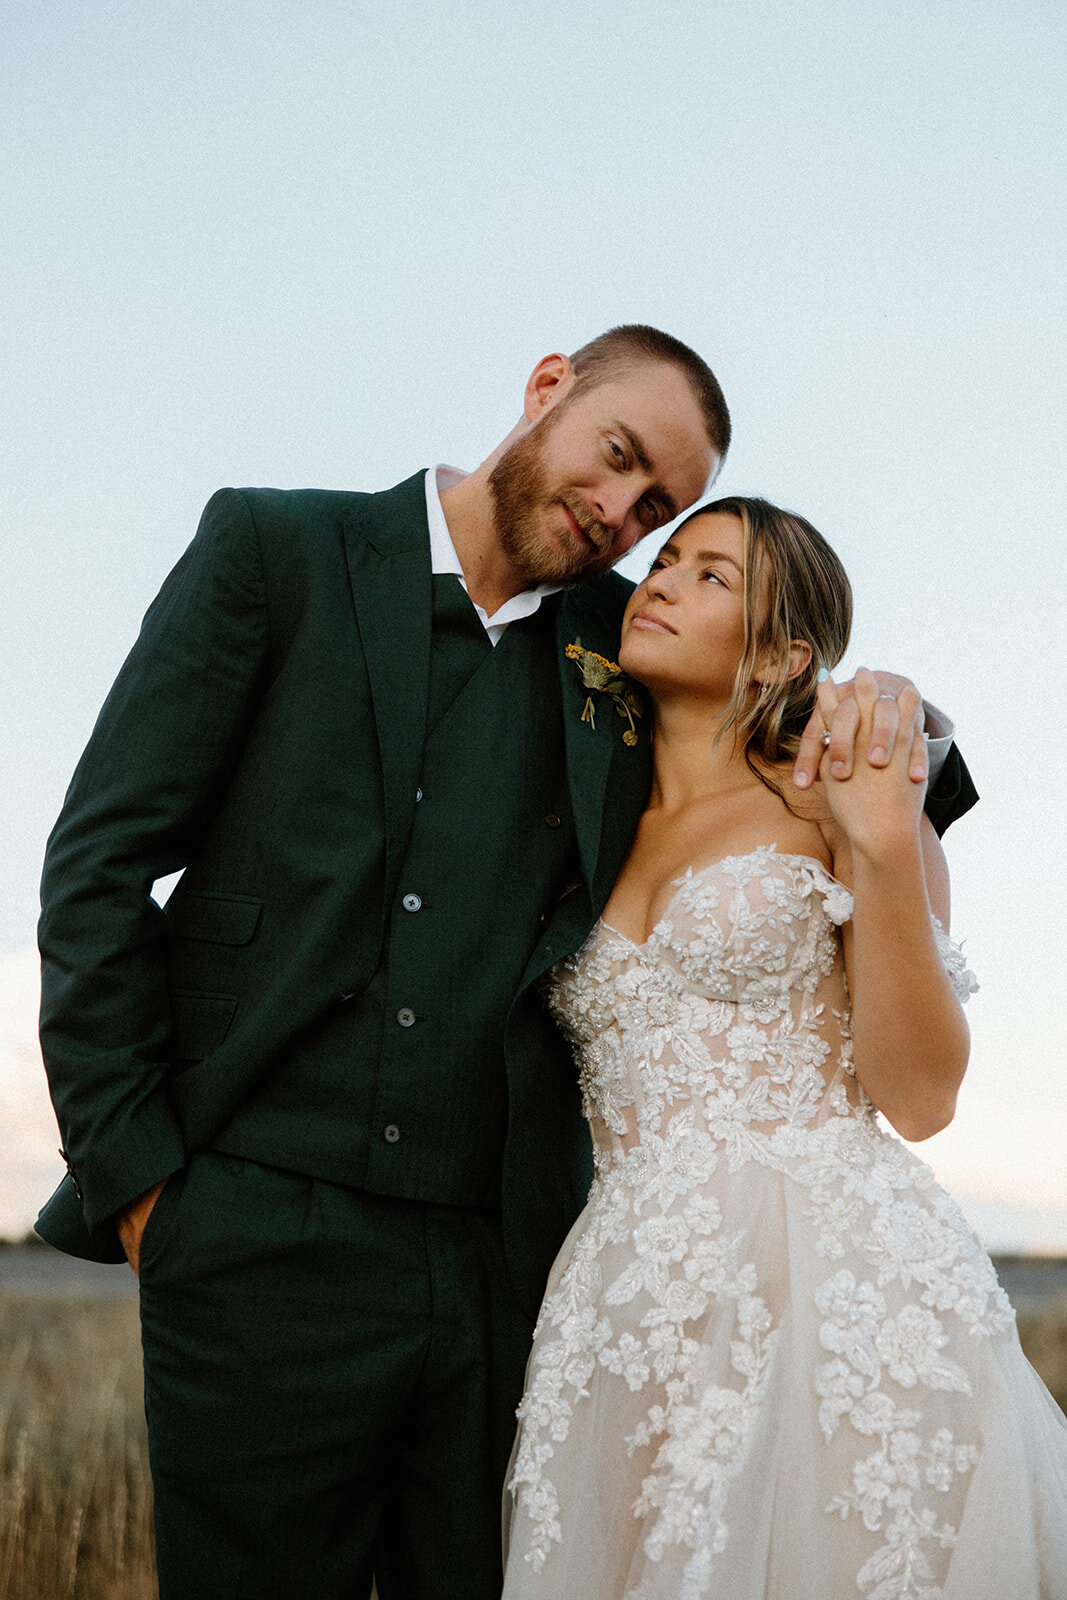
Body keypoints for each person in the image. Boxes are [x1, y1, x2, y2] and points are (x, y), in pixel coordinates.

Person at [36, 327, 974, 1600]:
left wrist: (903, 711)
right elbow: (98, 867)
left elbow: (799, 712)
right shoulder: (278, 552)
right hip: (251, 1233)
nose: (618, 516)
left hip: (506, 1271)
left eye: (658, 509)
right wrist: (142, 1181)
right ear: (546, 391)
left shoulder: (623, 645)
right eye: (617, 459)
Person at [501, 498, 1067, 1599]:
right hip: (623, 1301)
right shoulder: (582, 831)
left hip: (832, 1285)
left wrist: (880, 845)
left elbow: (920, 1095)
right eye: (663, 559)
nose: (660, 581)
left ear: (781, 652)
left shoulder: (838, 804)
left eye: (710, 575)